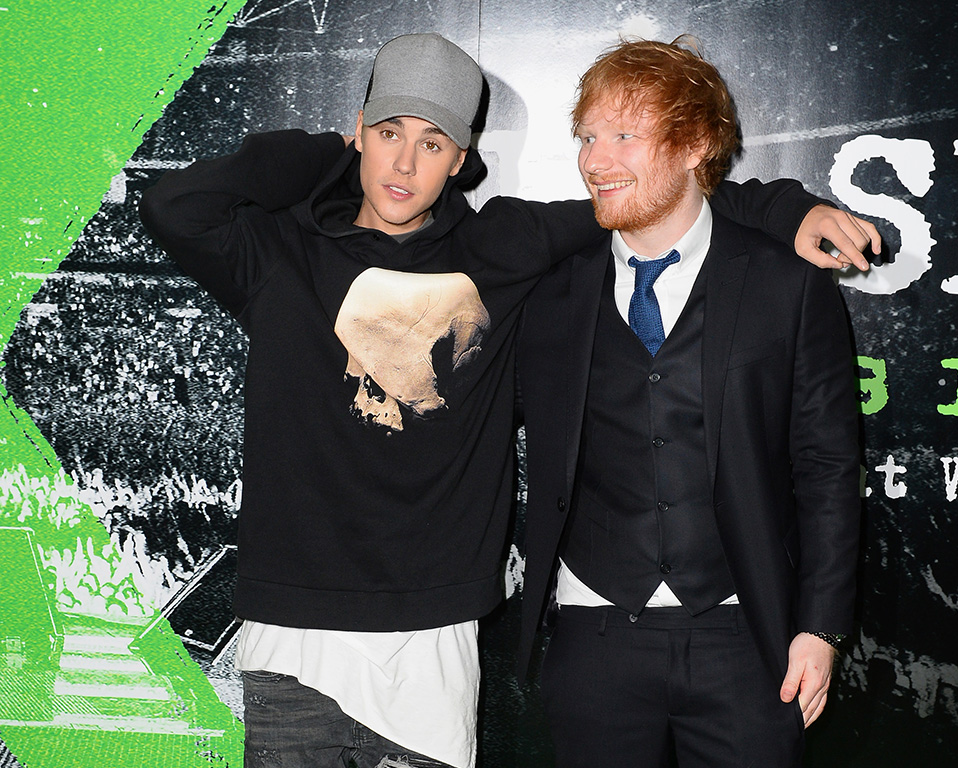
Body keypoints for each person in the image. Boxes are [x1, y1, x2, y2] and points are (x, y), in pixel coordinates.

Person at [140, 32, 874, 768]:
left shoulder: (504, 245)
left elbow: (655, 198)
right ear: (358, 131)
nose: (404, 163)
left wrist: (786, 211)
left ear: (461, 159)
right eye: (388, 132)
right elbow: (175, 204)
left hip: (435, 637)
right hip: (291, 634)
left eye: (433, 143)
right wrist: (325, 152)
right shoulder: (278, 252)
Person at [516, 36, 864, 768]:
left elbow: (827, 466)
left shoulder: (786, 283)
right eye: (588, 137)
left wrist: (821, 628)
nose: (596, 159)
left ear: (695, 143)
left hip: (747, 636)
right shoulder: (548, 290)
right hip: (593, 635)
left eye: (624, 135)